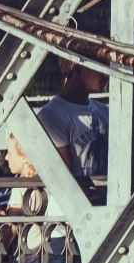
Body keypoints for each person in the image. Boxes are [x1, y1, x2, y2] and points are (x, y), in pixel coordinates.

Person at [36, 63, 108, 192]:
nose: (106, 74)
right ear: (77, 66)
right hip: (70, 210)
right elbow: (64, 183)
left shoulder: (104, 112)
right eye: (100, 66)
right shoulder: (51, 115)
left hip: (103, 205)